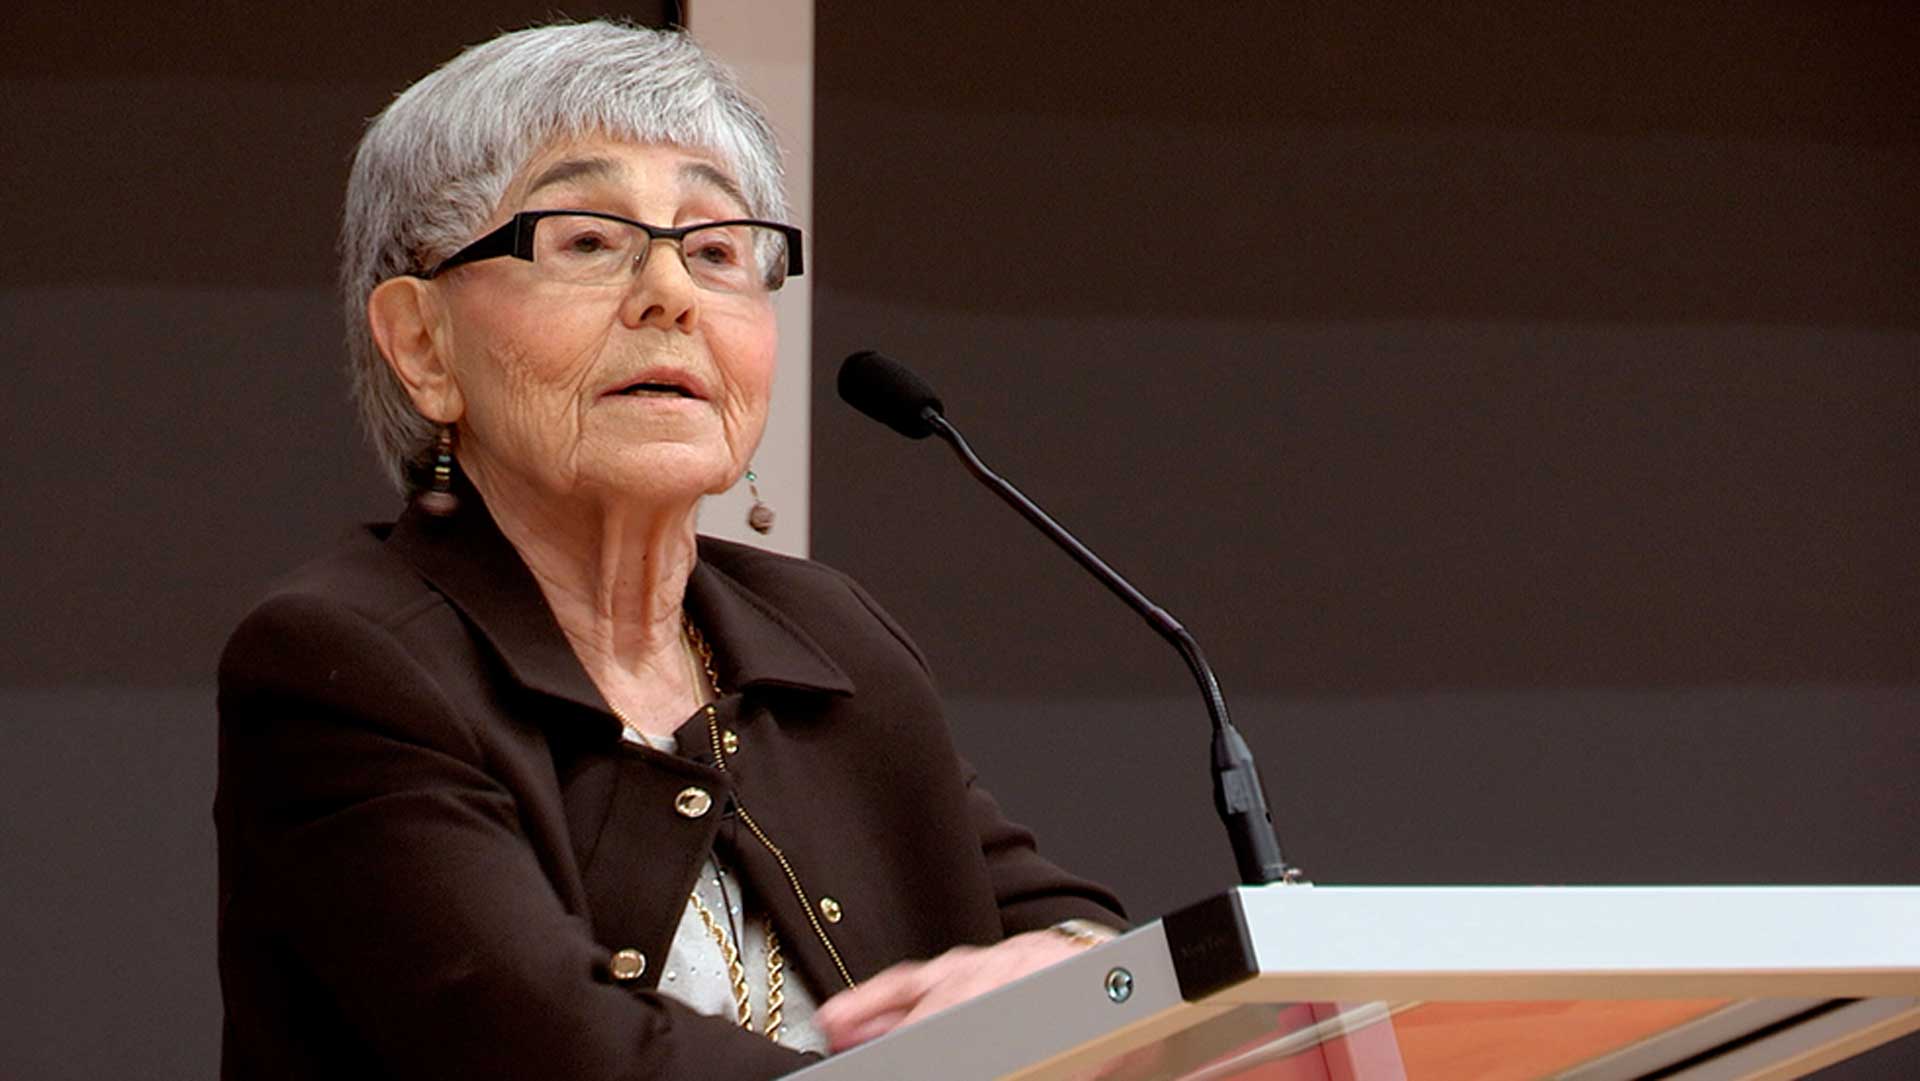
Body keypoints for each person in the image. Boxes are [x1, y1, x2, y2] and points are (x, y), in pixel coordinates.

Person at [213, 19, 1124, 1081]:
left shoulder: (828, 646)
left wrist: (1074, 971)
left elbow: (1074, 935)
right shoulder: (344, 665)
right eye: (589, 240)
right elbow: (559, 1053)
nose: (672, 294)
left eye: (717, 249)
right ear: (424, 344)